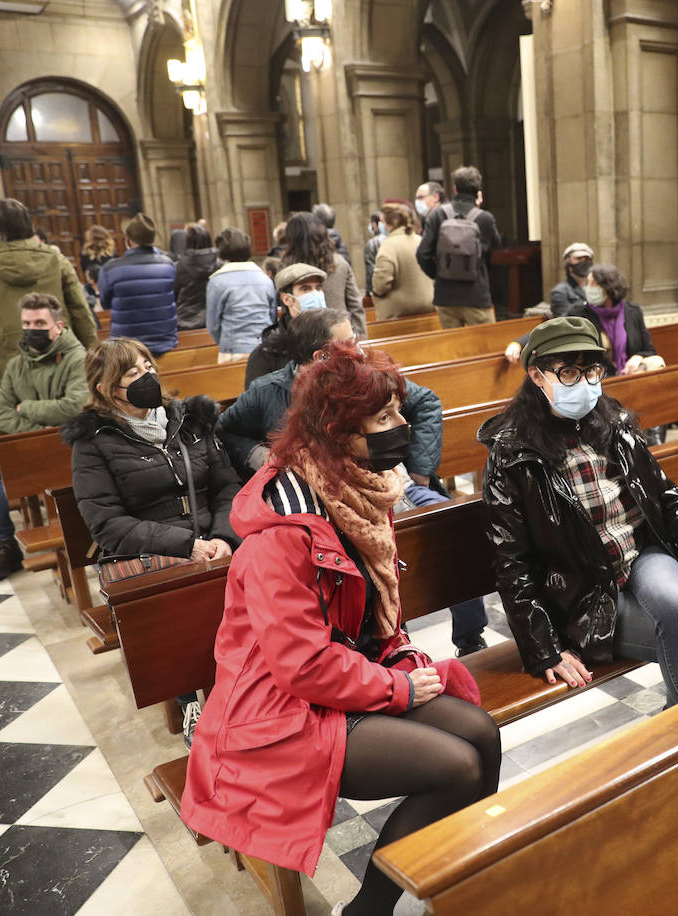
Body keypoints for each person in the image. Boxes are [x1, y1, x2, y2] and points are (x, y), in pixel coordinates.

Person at [180, 342, 501, 914]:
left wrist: (397, 660)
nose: (401, 427)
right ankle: (370, 908)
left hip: (346, 677)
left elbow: (374, 620)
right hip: (280, 710)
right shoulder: (283, 532)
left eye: (397, 413)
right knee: (457, 767)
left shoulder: (355, 494)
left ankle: (462, 875)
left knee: (481, 732)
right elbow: (300, 664)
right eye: (384, 419)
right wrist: (397, 688)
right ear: (337, 432)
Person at [480, 317, 678, 707]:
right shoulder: (513, 452)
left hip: (641, 555)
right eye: (568, 372)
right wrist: (544, 648)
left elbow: (666, 494)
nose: (584, 382)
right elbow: (510, 561)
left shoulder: (613, 423)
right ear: (537, 375)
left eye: (592, 370)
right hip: (582, 590)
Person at [217, 308, 491, 655]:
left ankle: (468, 637)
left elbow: (426, 403)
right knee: (368, 559)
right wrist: (258, 454)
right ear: (323, 356)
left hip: (396, 485)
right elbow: (225, 429)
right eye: (349, 343)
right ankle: (389, 645)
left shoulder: (367, 377)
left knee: (455, 528)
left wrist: (419, 468)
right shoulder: (269, 392)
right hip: (338, 499)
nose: (358, 349)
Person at [62, 337, 240, 562]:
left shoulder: (190, 418)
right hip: (151, 554)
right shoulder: (93, 441)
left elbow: (227, 488)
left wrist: (224, 538)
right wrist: (186, 546)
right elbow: (107, 523)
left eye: (148, 368)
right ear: (106, 389)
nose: (147, 378)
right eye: (132, 374)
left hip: (215, 543)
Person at [0, 294, 89, 581]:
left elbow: (73, 407)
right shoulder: (16, 365)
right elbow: (3, 415)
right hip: (32, 444)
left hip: (68, 445)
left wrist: (28, 408)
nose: (31, 329)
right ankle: (7, 545)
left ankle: (92, 542)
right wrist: (39, 431)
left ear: (57, 326)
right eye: (26, 323)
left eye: (39, 322)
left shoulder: (78, 358)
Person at [0, 198, 96, 386]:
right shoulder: (55, 259)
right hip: (58, 354)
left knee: (15, 413)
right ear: (28, 223)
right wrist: (92, 353)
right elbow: (80, 310)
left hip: (5, 360)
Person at [416, 165, 501, 328]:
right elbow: (496, 250)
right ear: (478, 191)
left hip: (445, 297)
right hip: (476, 295)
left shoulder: (437, 215)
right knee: (485, 346)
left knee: (453, 349)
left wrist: (440, 273)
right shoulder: (485, 218)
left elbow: (422, 254)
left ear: (455, 188)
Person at [246, 263, 352, 387]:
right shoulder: (267, 352)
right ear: (287, 299)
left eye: (318, 288)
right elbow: (259, 399)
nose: (315, 294)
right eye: (305, 289)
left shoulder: (337, 338)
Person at [99, 213, 178, 356]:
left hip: (126, 349)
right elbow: (172, 299)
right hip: (164, 343)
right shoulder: (168, 265)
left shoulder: (110, 269)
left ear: (128, 241)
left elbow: (106, 304)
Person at [502, 241, 593, 365]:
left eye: (587, 259)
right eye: (579, 259)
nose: (584, 262)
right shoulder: (560, 291)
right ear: (569, 265)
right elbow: (563, 324)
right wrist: (518, 344)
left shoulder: (596, 289)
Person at [567, 263, 664, 375]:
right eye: (587, 283)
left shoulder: (633, 311)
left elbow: (649, 349)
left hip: (629, 372)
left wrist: (638, 357)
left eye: (593, 284)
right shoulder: (578, 314)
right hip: (598, 376)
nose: (587, 288)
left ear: (608, 287)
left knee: (656, 361)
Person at [280, 212, 365, 338]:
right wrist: (360, 338)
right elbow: (355, 305)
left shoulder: (287, 267)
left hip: (303, 338)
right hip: (340, 335)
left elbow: (285, 306)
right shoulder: (339, 263)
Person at [205, 227, 276, 362]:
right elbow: (271, 316)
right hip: (265, 348)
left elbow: (213, 324)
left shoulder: (217, 281)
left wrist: (225, 342)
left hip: (233, 349)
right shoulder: (264, 278)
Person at [369, 203, 434, 320]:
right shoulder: (420, 240)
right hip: (428, 307)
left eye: (382, 221)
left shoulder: (388, 245)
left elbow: (381, 283)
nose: (381, 225)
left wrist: (376, 293)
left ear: (391, 223)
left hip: (398, 312)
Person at [173, 222, 220, 331]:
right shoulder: (220, 266)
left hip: (185, 325)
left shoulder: (178, 267)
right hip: (214, 323)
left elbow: (172, 297)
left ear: (187, 242)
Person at [363, 210, 385, 293]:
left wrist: (368, 293)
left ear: (374, 224)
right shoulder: (396, 239)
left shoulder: (372, 243)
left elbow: (371, 272)